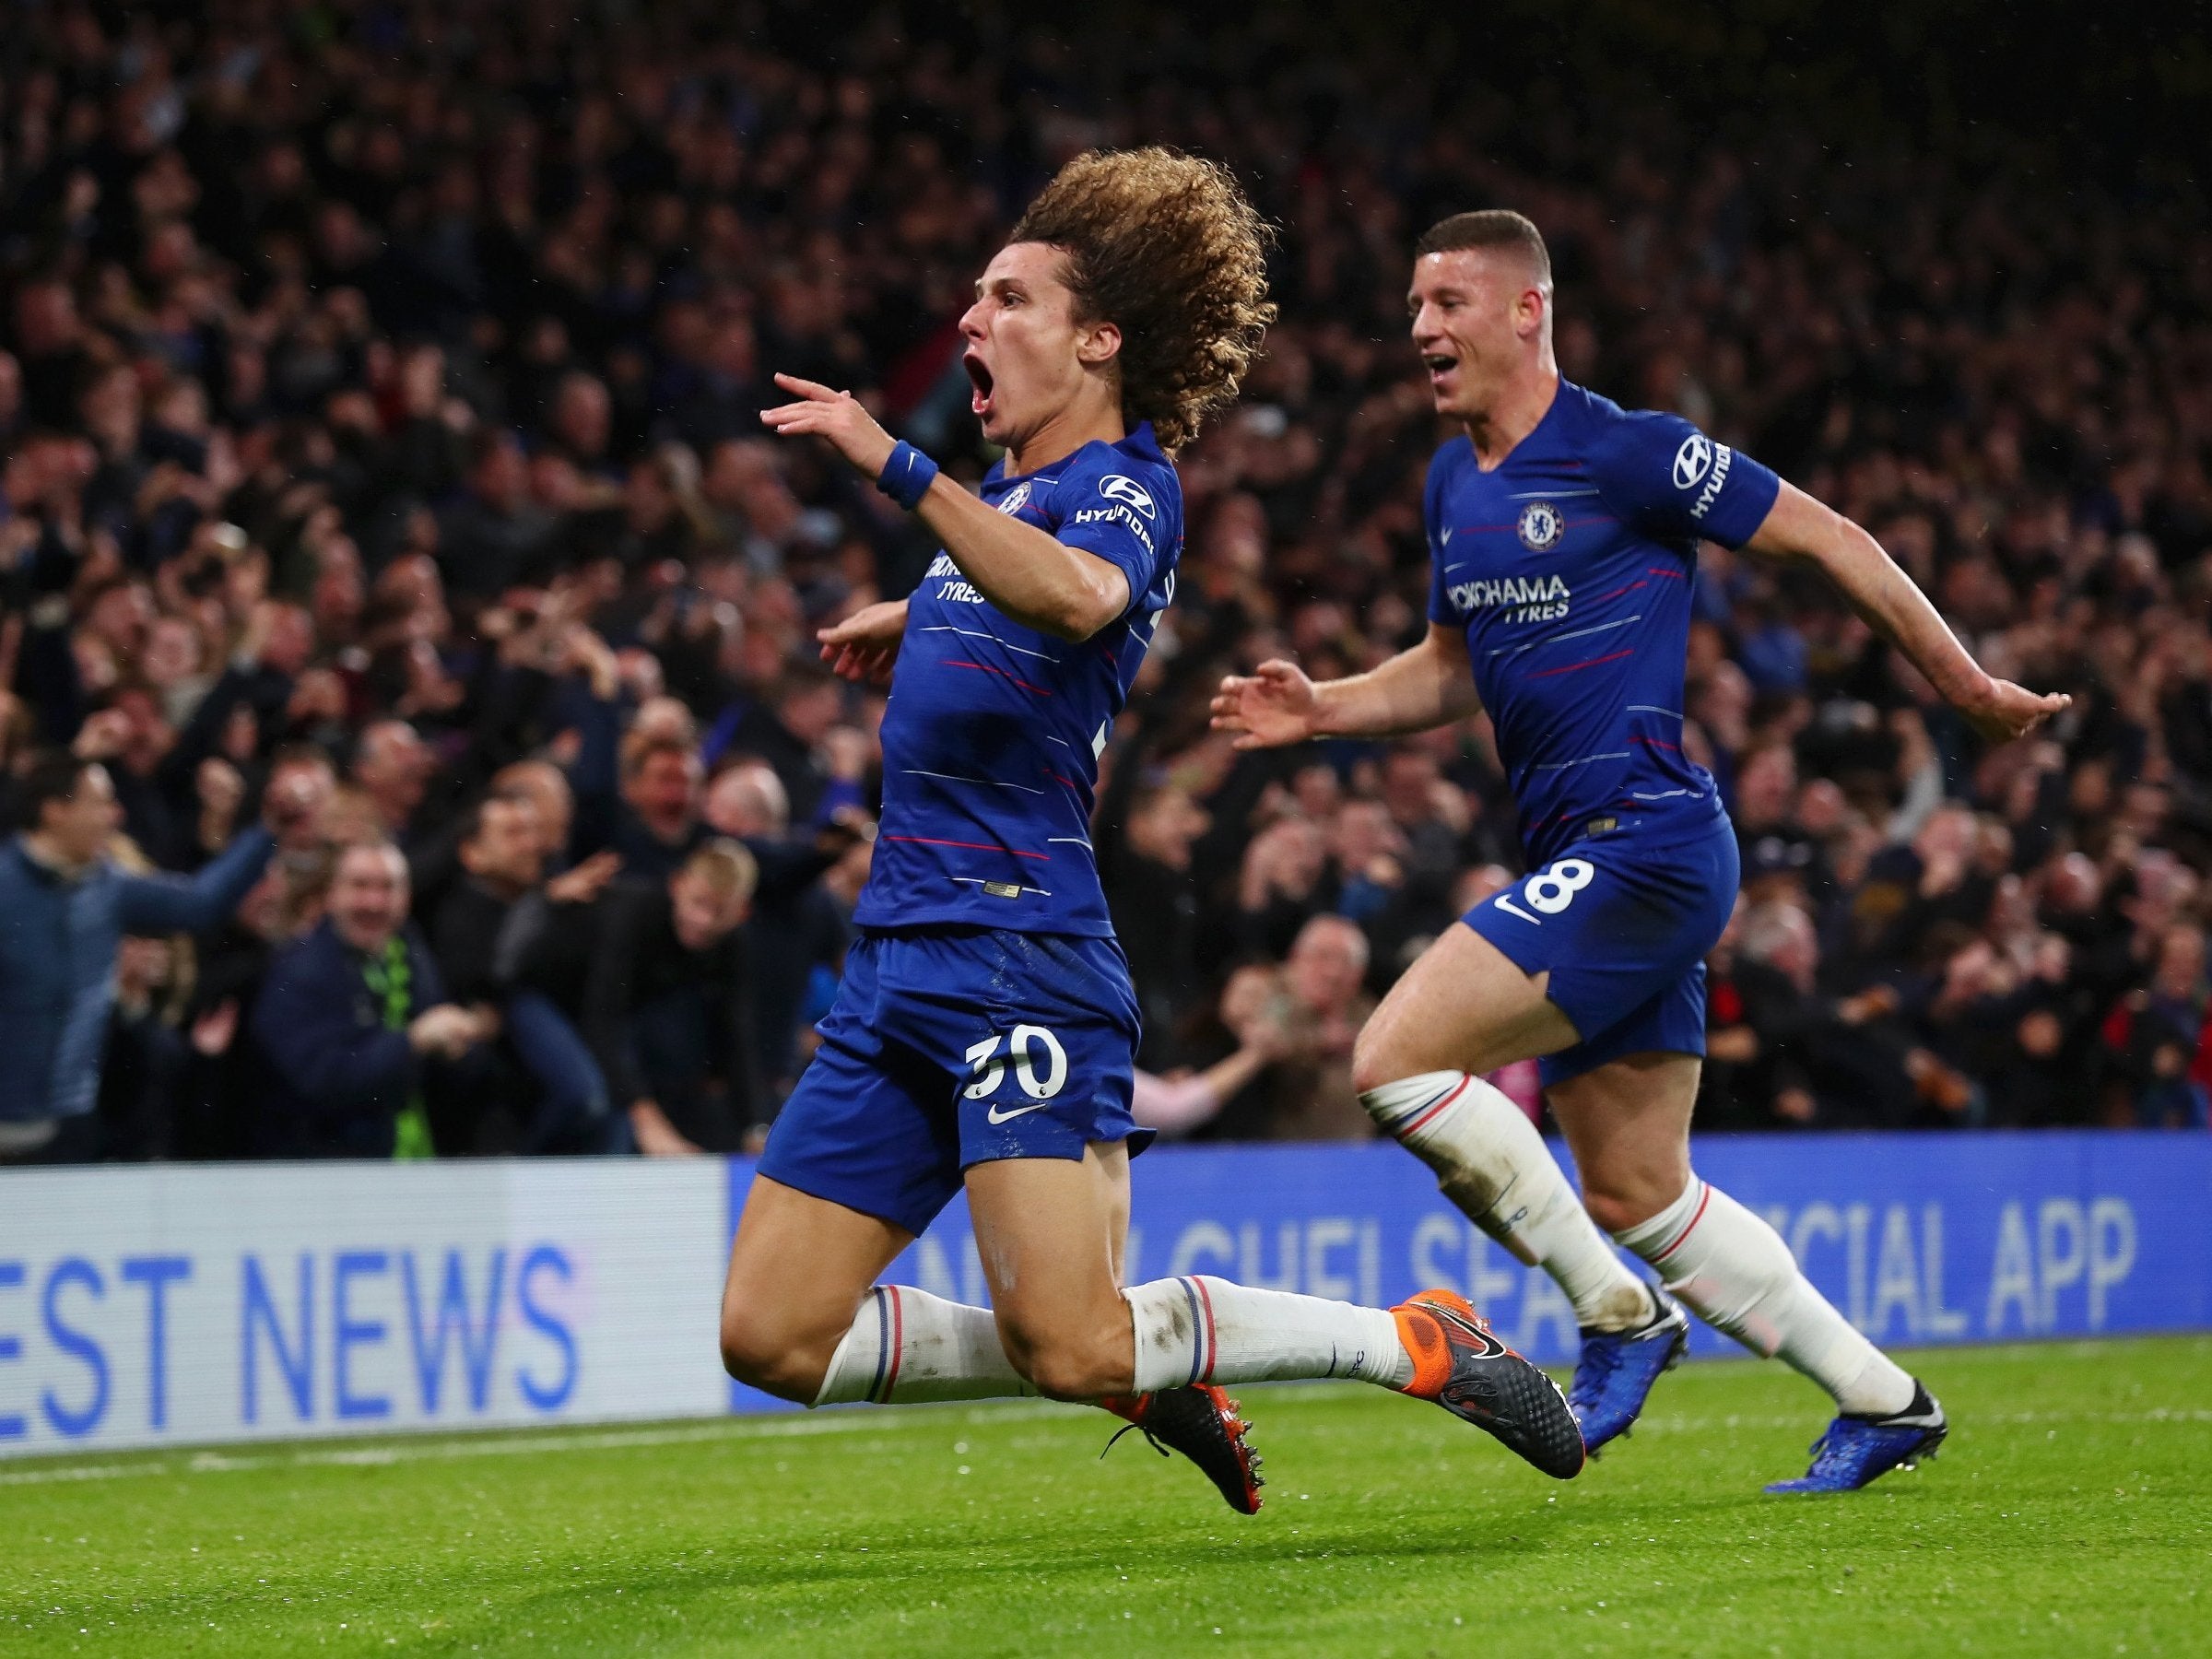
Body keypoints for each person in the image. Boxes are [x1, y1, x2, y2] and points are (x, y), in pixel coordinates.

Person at [718, 150, 1583, 1519]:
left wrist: (894, 464)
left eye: (1009, 299)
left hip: (1020, 956)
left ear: (1098, 340)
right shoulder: (996, 512)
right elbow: (1011, 581)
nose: (971, 323)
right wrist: (922, 609)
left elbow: (1074, 597)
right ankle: (1144, 1367)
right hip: (894, 966)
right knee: (766, 1337)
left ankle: (1411, 1344)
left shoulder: (1129, 483)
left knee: (1070, 1336)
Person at [1211, 209, 2070, 1493]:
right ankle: (1885, 1402)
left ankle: (1618, 1320)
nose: (1421, 329)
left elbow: (1833, 537)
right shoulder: (1455, 481)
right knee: (1635, 1190)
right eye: (1413, 307)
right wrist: (1327, 705)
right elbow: (1455, 666)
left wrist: (1963, 684)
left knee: (1392, 1059)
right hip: (1585, 849)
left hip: (1649, 838)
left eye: (1448, 303)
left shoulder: (1629, 453)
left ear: (1526, 311)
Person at [0, 749, 327, 1163]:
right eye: (100, 802)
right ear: (53, 811)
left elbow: (199, 904)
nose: (115, 815)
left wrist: (267, 832)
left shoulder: (106, 887)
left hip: (71, 1126)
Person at [252, 839, 497, 1158]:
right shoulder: (298, 972)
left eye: (388, 887)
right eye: (360, 886)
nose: (374, 902)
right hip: (326, 1171)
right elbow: (323, 1081)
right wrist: (413, 1041)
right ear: (332, 894)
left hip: (413, 1159)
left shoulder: (408, 950)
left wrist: (462, 1045)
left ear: (406, 896)